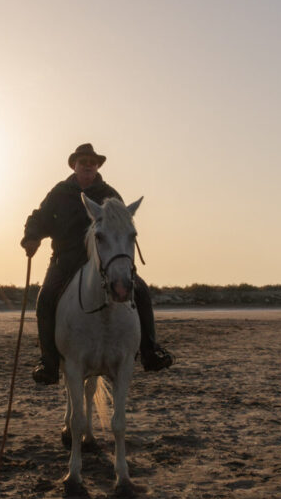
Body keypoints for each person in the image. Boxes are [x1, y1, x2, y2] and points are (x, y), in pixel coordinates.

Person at [20, 142, 174, 385]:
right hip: (67, 258)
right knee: (46, 298)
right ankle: (48, 362)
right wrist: (31, 237)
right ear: (75, 165)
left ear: (97, 166)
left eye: (93, 162)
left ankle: (150, 351)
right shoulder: (59, 193)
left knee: (141, 292)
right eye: (84, 162)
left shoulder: (109, 194)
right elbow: (40, 217)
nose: (88, 166)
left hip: (105, 260)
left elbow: (124, 225)